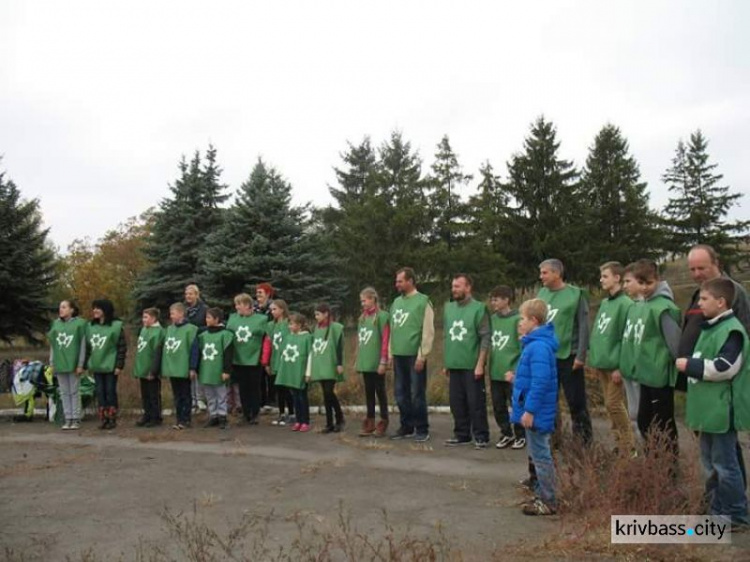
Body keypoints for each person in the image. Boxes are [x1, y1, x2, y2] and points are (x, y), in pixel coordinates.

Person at [676, 277, 749, 528]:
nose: (699, 303)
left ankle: (736, 514)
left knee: (725, 465)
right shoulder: (711, 327)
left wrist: (690, 366)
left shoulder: (732, 331)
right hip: (706, 409)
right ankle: (716, 511)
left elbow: (724, 367)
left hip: (720, 410)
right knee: (710, 464)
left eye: (704, 299)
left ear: (721, 302)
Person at [510, 298, 559, 516]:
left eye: (522, 319)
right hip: (533, 408)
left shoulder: (538, 347)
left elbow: (541, 381)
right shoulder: (534, 345)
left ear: (534, 320)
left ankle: (548, 500)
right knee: (537, 453)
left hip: (536, 412)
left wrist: (529, 410)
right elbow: (532, 378)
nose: (519, 323)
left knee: (541, 455)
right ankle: (541, 492)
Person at [536, 259, 593, 444]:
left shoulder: (576, 295)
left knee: (576, 401)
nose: (541, 276)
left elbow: (583, 325)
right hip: (547, 355)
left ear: (556, 273)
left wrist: (581, 354)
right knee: (548, 401)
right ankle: (553, 438)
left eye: (544, 273)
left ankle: (583, 442)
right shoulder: (541, 294)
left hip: (569, 355)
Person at [630, 259, 681, 459]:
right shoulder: (643, 305)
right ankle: (654, 463)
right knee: (644, 421)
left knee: (663, 424)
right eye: (640, 283)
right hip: (646, 374)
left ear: (657, 280)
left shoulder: (663, 307)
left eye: (648, 283)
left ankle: (668, 467)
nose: (644, 288)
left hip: (660, 374)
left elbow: (675, 344)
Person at [587, 262, 636, 454]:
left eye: (605, 276)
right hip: (602, 362)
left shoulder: (626, 304)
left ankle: (629, 445)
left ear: (617, 278)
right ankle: (619, 443)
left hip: (615, 364)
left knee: (614, 404)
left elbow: (626, 337)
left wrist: (620, 366)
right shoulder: (606, 303)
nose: (601, 280)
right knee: (609, 406)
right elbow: (600, 332)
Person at [443, 274, 491, 449]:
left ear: (468, 288)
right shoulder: (448, 308)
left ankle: (481, 435)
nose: (454, 289)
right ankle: (462, 434)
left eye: (457, 286)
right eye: (453, 286)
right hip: (454, 362)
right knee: (456, 402)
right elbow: (447, 336)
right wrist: (446, 362)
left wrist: (480, 363)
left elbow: (485, 337)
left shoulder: (479, 308)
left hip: (472, 364)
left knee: (475, 402)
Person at [389, 267, 435, 443]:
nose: (397, 284)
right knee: (401, 393)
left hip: (414, 356)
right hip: (399, 355)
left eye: (400, 281)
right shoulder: (396, 303)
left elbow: (428, 330)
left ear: (410, 281)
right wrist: (390, 353)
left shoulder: (423, 301)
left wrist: (422, 355)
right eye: (396, 281)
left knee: (417, 393)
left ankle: (422, 428)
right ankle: (406, 425)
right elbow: (393, 329)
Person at [488, 285, 525, 450]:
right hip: (496, 370)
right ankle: (506, 433)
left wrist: (518, 370)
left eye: (496, 299)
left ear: (506, 300)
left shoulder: (518, 319)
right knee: (498, 404)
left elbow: (522, 346)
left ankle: (520, 434)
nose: (493, 302)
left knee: (516, 403)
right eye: (492, 299)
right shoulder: (493, 319)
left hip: (512, 371)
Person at [226, 293, 269, 425]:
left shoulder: (261, 319)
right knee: (243, 388)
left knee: (254, 388)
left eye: (239, 304)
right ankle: (245, 414)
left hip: (254, 359)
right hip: (238, 359)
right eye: (236, 304)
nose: (237, 307)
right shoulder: (233, 318)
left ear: (248, 305)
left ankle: (255, 413)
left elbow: (266, 338)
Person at [86, 299, 127, 430]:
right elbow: (88, 347)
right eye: (94, 308)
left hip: (110, 366)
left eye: (98, 308)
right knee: (100, 392)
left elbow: (121, 347)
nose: (95, 311)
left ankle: (112, 418)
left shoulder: (116, 326)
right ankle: (103, 418)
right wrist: (87, 363)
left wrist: (119, 365)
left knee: (110, 391)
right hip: (97, 366)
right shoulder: (91, 326)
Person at [355, 287, 390, 437]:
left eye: (365, 300)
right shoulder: (362, 318)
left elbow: (385, 339)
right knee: (369, 391)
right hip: (366, 361)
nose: (363, 304)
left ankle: (384, 419)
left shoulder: (382, 316)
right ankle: (370, 420)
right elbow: (360, 341)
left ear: (372, 299)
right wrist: (358, 360)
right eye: (361, 301)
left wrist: (383, 361)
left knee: (380, 391)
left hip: (377, 362)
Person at [48, 300, 87, 430]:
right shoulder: (56, 324)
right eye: (60, 307)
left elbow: (82, 346)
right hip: (60, 363)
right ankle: (68, 418)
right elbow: (53, 345)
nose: (61, 309)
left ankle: (76, 418)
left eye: (64, 307)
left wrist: (80, 364)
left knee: (74, 391)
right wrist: (52, 363)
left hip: (73, 364)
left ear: (71, 310)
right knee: (64, 392)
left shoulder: (79, 324)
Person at [615, 263, 643, 439]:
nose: (625, 286)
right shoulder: (632, 307)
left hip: (641, 370)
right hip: (628, 369)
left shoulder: (653, 307)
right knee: (633, 413)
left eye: (628, 281)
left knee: (642, 414)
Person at [194, 308, 234, 429]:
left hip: (218, 370)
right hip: (206, 370)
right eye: (206, 317)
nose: (206, 320)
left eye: (209, 318)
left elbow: (228, 354)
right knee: (209, 394)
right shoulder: (203, 336)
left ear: (217, 319)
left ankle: (222, 416)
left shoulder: (226, 335)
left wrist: (226, 370)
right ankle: (213, 415)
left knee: (221, 394)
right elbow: (199, 353)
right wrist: (197, 369)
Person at [162, 303, 199, 430]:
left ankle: (186, 419)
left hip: (184, 368)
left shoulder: (191, 329)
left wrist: (192, 368)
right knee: (177, 395)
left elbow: (194, 350)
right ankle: (179, 419)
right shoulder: (170, 329)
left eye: (173, 313)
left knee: (185, 394)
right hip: (173, 368)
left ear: (181, 314)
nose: (170, 316)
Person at [310, 303, 346, 433]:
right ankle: (329, 423)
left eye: (318, 314)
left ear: (326, 314)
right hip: (320, 364)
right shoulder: (317, 328)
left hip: (331, 364)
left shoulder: (336, 328)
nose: (316, 317)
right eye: (315, 314)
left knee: (329, 392)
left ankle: (339, 417)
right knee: (326, 394)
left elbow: (339, 347)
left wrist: (339, 363)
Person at [275, 312, 312, 433]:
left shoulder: (307, 337)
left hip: (301, 372)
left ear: (300, 325)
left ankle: (305, 421)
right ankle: (298, 420)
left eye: (292, 324)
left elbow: (310, 356)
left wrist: (308, 373)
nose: (290, 326)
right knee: (295, 397)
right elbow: (283, 354)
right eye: (289, 324)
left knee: (302, 397)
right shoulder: (288, 337)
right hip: (291, 372)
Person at [133, 307, 165, 427]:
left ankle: (155, 417)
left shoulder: (158, 331)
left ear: (153, 318)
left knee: (153, 394)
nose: (143, 319)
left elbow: (157, 353)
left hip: (151, 369)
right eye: (143, 317)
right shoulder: (144, 330)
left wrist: (153, 370)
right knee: (145, 394)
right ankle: (147, 414)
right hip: (142, 367)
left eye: (146, 317)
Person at [266, 299, 295, 426]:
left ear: (282, 309)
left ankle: (292, 413)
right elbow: (268, 344)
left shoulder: (289, 323)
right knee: (279, 388)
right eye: (271, 309)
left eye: (275, 309)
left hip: (286, 359)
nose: (272, 312)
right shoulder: (271, 325)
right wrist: (266, 362)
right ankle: (282, 413)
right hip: (275, 360)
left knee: (288, 388)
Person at [184, 284, 208, 414]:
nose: (188, 296)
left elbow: (208, 325)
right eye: (187, 294)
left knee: (197, 370)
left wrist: (196, 330)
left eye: (191, 294)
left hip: (199, 343)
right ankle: (192, 399)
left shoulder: (204, 309)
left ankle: (200, 399)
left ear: (196, 295)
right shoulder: (185, 310)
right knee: (189, 371)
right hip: (187, 344)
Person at [255, 283, 276, 411]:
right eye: (257, 293)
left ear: (267, 294)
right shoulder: (255, 308)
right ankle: (261, 400)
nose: (258, 295)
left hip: (269, 341)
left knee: (270, 372)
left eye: (260, 293)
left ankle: (271, 400)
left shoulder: (272, 308)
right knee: (259, 373)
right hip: (258, 342)